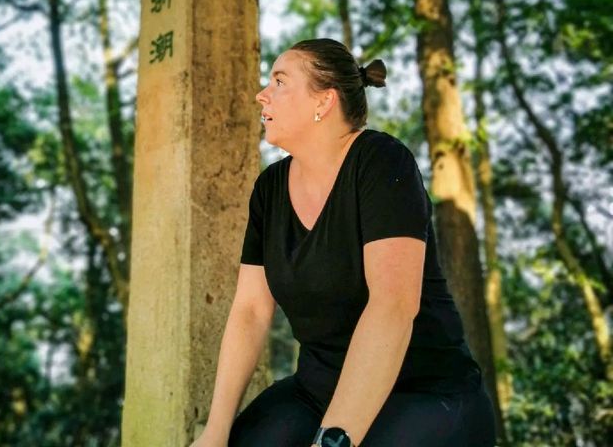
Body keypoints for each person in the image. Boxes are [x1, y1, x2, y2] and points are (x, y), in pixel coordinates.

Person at [189, 38, 497, 447]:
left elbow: (392, 307)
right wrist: (215, 431)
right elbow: (250, 310)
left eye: (279, 81)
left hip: (424, 393)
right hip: (316, 390)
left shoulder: (382, 162)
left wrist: (332, 440)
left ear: (324, 101)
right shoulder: (270, 189)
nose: (261, 94)